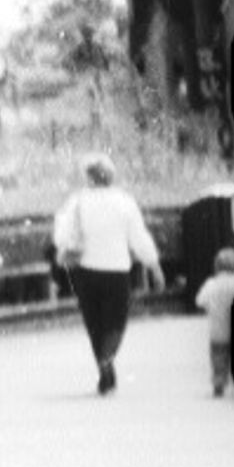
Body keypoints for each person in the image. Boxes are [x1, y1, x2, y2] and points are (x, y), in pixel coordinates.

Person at [52, 153, 165, 395]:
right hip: (116, 269)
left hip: (85, 270)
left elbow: (61, 235)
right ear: (111, 176)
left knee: (94, 322)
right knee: (116, 320)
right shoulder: (124, 201)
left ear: (88, 177)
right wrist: (154, 265)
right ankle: (107, 359)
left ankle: (104, 369)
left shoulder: (77, 201)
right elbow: (139, 237)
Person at [193, 246, 234, 397]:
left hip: (217, 331)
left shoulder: (212, 284)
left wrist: (210, 305)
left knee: (218, 357)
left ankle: (219, 382)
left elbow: (199, 301)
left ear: (216, 266)